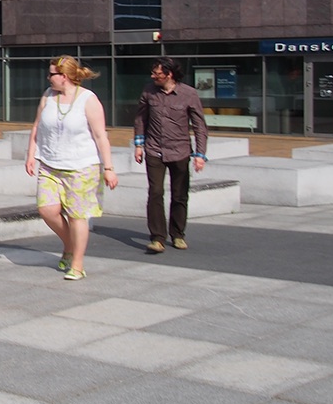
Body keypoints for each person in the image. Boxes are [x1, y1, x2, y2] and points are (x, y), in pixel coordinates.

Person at [25, 55, 118, 281]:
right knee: (47, 209)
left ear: (64, 77)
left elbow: (100, 136)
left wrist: (109, 167)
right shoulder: (48, 96)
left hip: (81, 166)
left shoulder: (88, 99)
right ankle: (68, 245)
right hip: (50, 164)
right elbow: (37, 126)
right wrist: (30, 155)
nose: (48, 78)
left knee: (77, 216)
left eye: (51, 74)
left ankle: (77, 264)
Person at [134, 56, 208, 253]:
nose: (153, 76)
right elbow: (141, 118)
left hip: (180, 150)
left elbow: (199, 126)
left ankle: (177, 234)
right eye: (153, 73)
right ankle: (157, 237)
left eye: (157, 74)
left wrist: (200, 154)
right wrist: (139, 144)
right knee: (155, 192)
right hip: (154, 149)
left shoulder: (189, 94)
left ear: (169, 74)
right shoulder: (149, 91)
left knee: (180, 195)